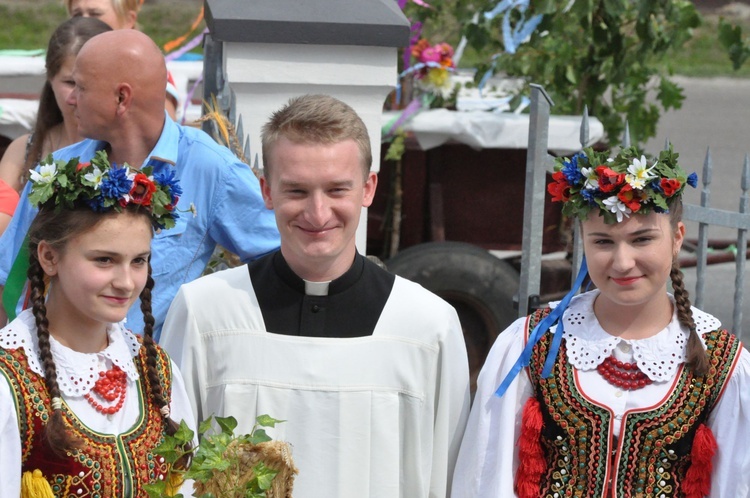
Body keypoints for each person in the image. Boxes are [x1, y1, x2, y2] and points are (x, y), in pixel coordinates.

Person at [160, 94, 471, 497]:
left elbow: (454, 478)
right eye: (297, 191)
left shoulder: (427, 326)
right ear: (266, 191)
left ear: (368, 187)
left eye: (337, 189)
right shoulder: (206, 312)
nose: (318, 213)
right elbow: (172, 468)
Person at [451, 146, 750, 497]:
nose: (623, 262)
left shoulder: (721, 361)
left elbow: (735, 484)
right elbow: (487, 475)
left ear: (677, 238)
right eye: (604, 242)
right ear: (584, 243)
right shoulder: (534, 342)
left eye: (642, 239)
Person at [0, 30, 279, 338]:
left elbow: (280, 261)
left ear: (121, 98)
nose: (70, 98)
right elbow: (9, 279)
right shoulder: (58, 169)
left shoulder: (209, 168)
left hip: (146, 376)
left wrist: (214, 326)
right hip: (45, 369)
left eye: (81, 87)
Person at [0, 151, 195, 495]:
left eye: (139, 261)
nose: (126, 282)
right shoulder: (10, 378)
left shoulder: (156, 369)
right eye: (104, 260)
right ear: (49, 257)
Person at [0, 17, 112, 236]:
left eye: (89, 84)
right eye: (70, 83)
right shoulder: (24, 150)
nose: (79, 96)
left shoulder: (125, 151)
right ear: (50, 78)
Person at [65, 0, 180, 119]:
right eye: (77, 15)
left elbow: (163, 133)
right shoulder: (65, 59)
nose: (85, 22)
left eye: (95, 14)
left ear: (128, 19)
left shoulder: (147, 71)